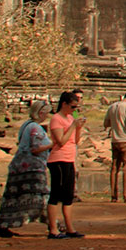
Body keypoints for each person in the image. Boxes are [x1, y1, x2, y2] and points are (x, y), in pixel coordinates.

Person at [0, 99, 53, 237]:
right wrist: (53, 144)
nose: (47, 116)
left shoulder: (26, 125)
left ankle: (4, 225)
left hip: (19, 167)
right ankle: (53, 224)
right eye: (46, 113)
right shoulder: (35, 128)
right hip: (32, 167)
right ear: (40, 113)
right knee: (42, 195)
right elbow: (35, 148)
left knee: (13, 197)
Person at [46, 90, 86, 239]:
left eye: (76, 107)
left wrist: (78, 127)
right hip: (58, 159)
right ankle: (53, 229)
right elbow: (60, 140)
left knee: (68, 195)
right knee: (56, 194)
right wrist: (72, 126)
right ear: (64, 104)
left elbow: (75, 140)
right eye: (72, 107)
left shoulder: (72, 116)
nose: (74, 110)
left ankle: (70, 227)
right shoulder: (56, 119)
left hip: (69, 158)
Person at [104, 90, 126, 203]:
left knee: (114, 169)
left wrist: (116, 123)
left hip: (115, 140)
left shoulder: (112, 107)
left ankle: (114, 195)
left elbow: (106, 124)